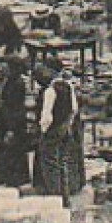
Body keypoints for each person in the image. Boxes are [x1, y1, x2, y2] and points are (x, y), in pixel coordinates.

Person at [33, 66, 84, 203]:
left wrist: (43, 130)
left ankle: (55, 195)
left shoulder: (50, 91)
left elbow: (47, 116)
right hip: (65, 127)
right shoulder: (67, 86)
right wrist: (68, 123)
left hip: (53, 129)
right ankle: (65, 194)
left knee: (50, 163)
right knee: (63, 161)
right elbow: (74, 108)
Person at [0, 55, 32, 189]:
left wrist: (10, 128)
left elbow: (14, 107)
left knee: (12, 150)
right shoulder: (11, 81)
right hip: (8, 118)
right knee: (6, 149)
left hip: (13, 120)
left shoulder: (17, 84)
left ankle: (13, 179)